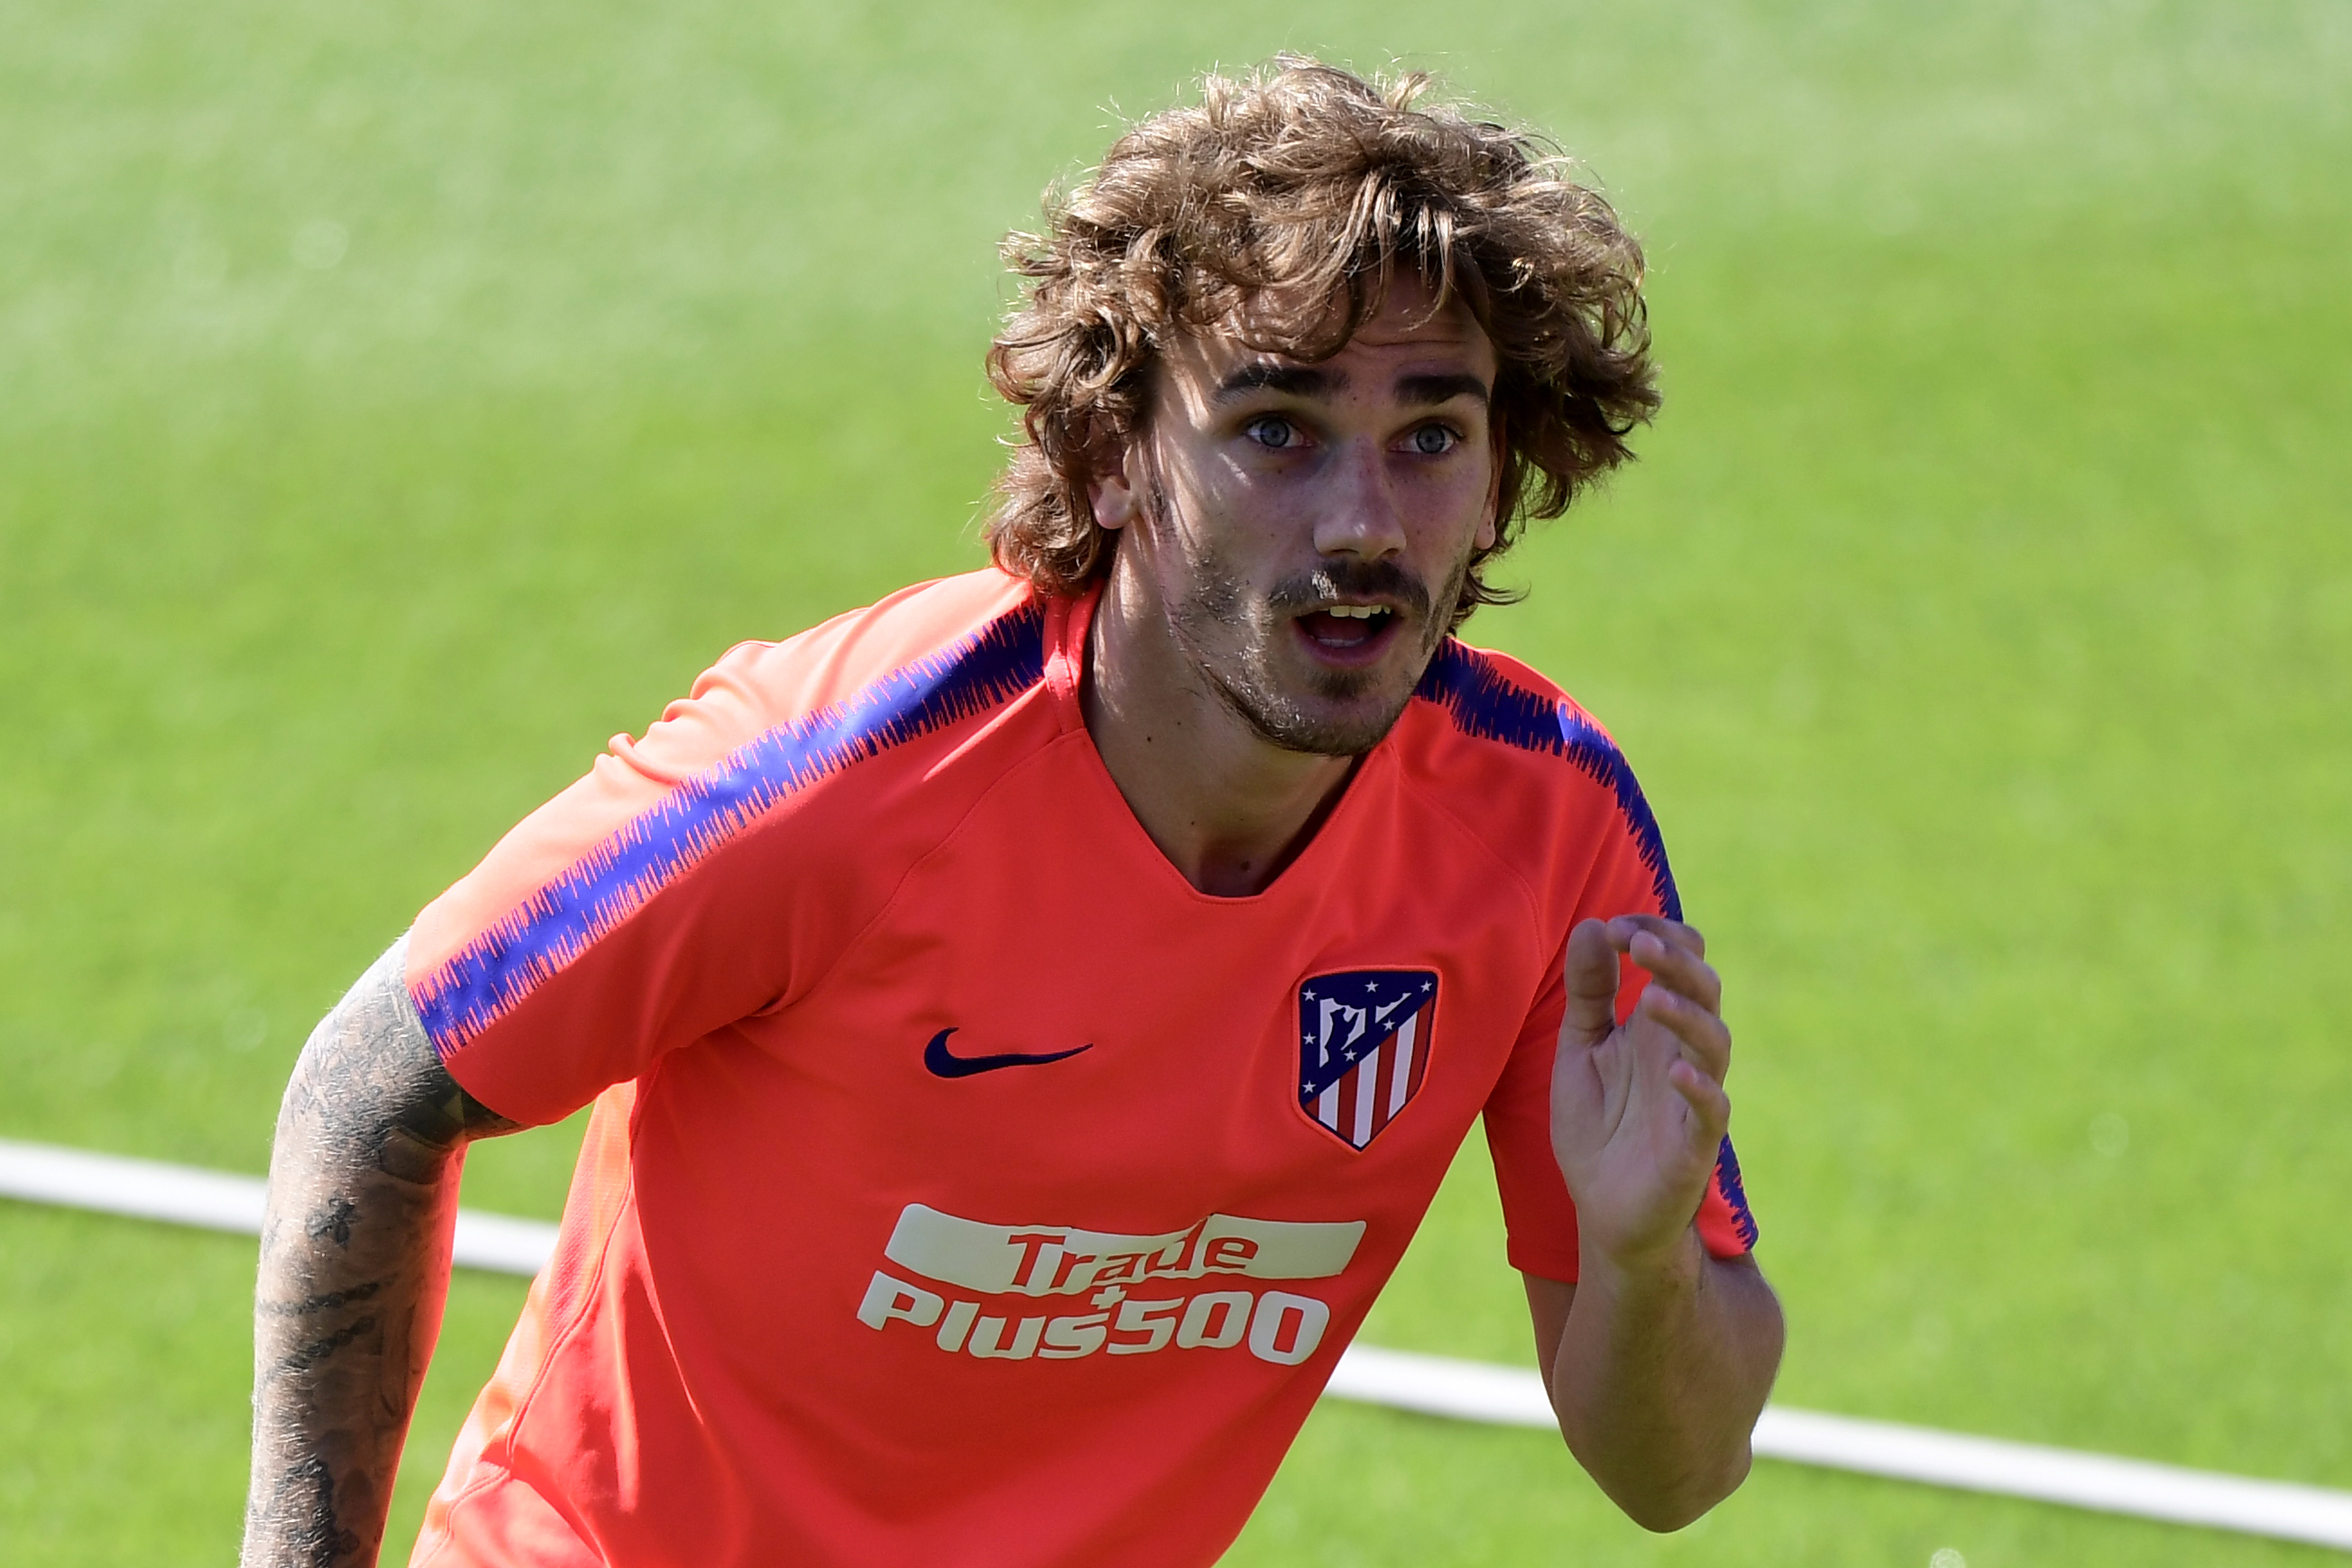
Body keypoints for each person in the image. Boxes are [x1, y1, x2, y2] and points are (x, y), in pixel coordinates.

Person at [241, 58, 1785, 1568]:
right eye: (1276, 431)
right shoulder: (836, 772)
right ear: (1114, 456)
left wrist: (1641, 1261)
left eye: (1431, 437)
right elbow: (371, 1089)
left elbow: (1676, 1478)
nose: (1365, 521)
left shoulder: (1548, 829)